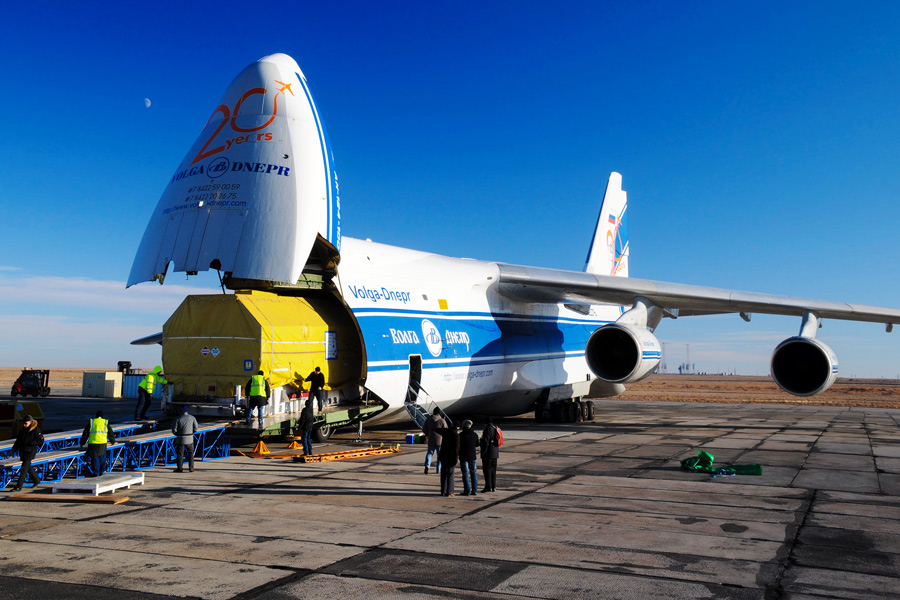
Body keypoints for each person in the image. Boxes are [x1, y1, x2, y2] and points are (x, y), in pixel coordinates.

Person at [11, 415, 44, 491]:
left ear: (31, 422)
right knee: (28, 467)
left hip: (30, 451)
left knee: (23, 469)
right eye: (23, 423)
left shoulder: (35, 430)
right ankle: (37, 480)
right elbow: (18, 441)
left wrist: (31, 442)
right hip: (23, 451)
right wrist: (14, 449)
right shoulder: (22, 430)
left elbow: (41, 440)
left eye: (26, 423)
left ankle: (19, 486)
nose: (24, 425)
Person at [79, 410, 116, 477]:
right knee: (102, 458)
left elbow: (85, 434)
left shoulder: (92, 422)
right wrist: (112, 441)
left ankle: (96, 473)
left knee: (95, 459)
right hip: (102, 443)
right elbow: (110, 433)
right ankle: (102, 472)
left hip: (93, 443)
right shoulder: (105, 423)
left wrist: (82, 443)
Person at [434, 421, 460, 496]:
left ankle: (443, 491)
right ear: (458, 428)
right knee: (450, 474)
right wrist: (456, 458)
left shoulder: (446, 432)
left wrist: (432, 429)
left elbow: (438, 430)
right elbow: (456, 448)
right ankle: (450, 492)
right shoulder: (456, 435)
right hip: (451, 457)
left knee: (443, 474)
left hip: (443, 455)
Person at [172, 405, 199, 473]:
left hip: (180, 438)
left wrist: (177, 434)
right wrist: (191, 433)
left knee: (180, 454)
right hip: (190, 438)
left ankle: (180, 468)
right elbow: (196, 428)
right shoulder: (192, 418)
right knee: (191, 453)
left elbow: (174, 430)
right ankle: (191, 468)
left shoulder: (178, 418)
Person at [421, 407, 447, 475]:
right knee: (440, 456)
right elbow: (446, 430)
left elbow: (424, 428)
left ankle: (427, 466)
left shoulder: (428, 419)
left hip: (431, 439)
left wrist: (428, 434)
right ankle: (438, 469)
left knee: (429, 453)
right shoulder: (442, 420)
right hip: (440, 440)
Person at [458, 419, 479, 496]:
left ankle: (467, 491)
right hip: (472, 456)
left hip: (463, 456)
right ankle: (475, 490)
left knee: (465, 474)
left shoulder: (461, 435)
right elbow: (477, 444)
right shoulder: (474, 434)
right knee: (473, 473)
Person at [480, 417, 501, 492]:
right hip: (495, 453)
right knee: (493, 471)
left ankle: (488, 487)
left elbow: (486, 442)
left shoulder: (488, 429)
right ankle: (493, 486)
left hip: (489, 453)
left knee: (487, 470)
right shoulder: (495, 428)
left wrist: (483, 452)